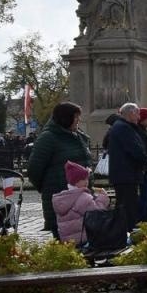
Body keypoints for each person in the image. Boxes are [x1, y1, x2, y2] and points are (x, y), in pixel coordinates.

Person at [25, 101, 95, 239]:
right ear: (65, 118)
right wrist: (49, 187)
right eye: (75, 117)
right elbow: (34, 170)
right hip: (63, 200)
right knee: (66, 244)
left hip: (82, 199)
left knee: (86, 243)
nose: (78, 120)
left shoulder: (77, 136)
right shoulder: (48, 138)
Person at [103, 103, 147, 232]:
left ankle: (124, 232)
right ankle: (126, 233)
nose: (139, 117)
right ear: (130, 114)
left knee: (127, 206)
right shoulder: (123, 128)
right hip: (126, 174)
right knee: (128, 208)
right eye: (137, 113)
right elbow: (134, 148)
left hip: (126, 174)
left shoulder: (123, 126)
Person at [53, 161, 109, 244]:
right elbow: (97, 212)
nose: (87, 182)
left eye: (87, 179)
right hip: (83, 239)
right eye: (83, 179)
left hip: (68, 241)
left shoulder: (65, 196)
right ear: (75, 181)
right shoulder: (82, 197)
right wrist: (103, 197)